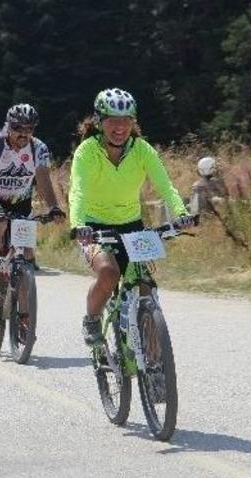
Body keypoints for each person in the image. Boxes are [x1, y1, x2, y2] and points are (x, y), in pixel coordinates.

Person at [69, 88, 193, 347]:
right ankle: (92, 320)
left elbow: (165, 186)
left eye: (126, 120)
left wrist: (181, 213)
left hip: (132, 226)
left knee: (144, 283)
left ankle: (151, 350)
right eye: (113, 120)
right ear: (99, 121)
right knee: (108, 273)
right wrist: (78, 225)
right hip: (94, 226)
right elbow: (78, 190)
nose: (120, 127)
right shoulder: (87, 151)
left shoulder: (142, 149)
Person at [0, 104, 65, 296]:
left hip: (21, 202)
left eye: (29, 129)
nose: (24, 134)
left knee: (28, 255)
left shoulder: (38, 148)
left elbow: (43, 179)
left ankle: (22, 309)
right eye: (18, 128)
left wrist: (54, 207)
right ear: (8, 126)